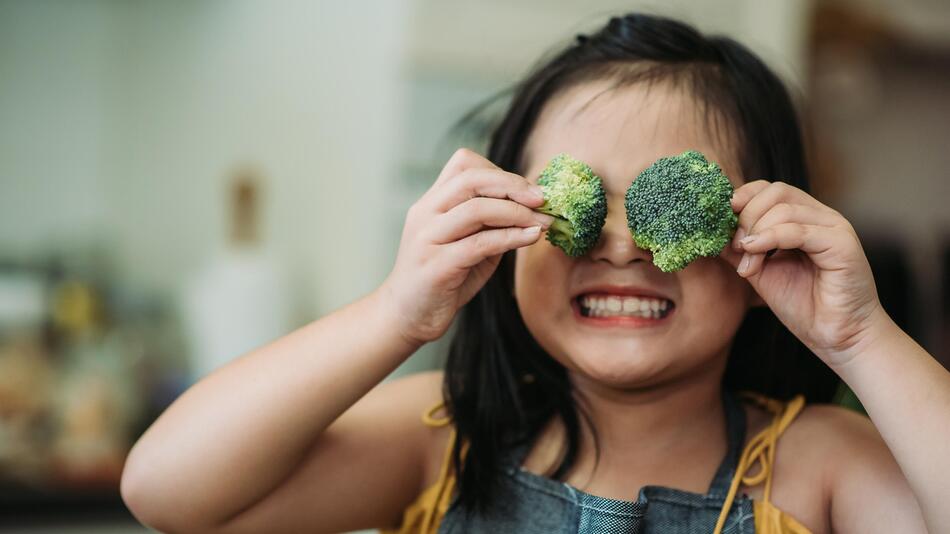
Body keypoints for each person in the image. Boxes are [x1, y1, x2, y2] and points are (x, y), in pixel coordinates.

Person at [120, 13, 947, 534]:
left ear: (762, 243)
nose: (618, 245)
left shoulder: (822, 463)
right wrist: (394, 314)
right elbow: (167, 492)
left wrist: (860, 338)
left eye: (671, 209)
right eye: (573, 202)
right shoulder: (444, 438)